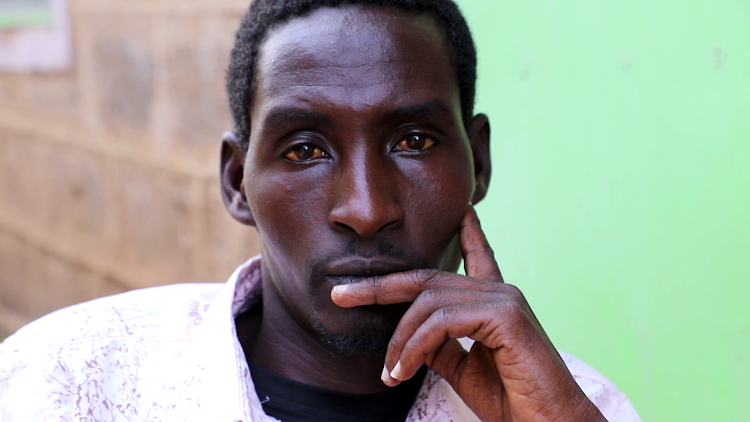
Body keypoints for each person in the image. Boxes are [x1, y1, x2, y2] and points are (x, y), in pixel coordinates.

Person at [0, 0, 643, 421]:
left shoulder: (577, 407)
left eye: (412, 141)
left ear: (478, 162)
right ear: (236, 182)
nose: (366, 210)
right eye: (305, 149)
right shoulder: (66, 385)